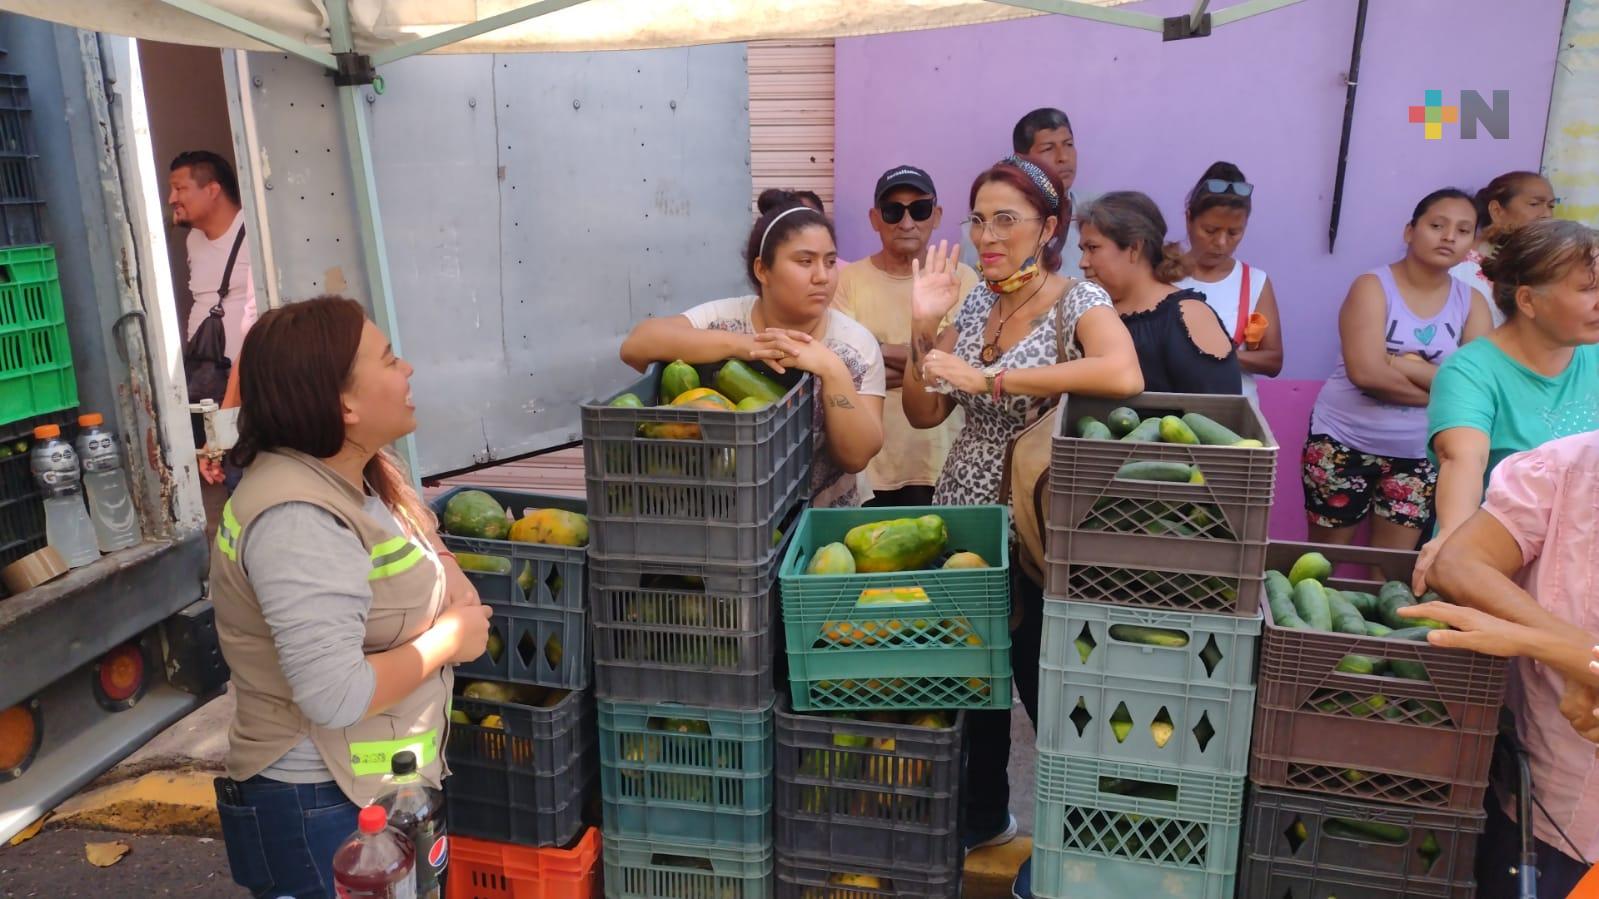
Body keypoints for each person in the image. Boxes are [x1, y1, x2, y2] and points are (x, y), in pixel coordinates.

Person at [901, 156, 1142, 886]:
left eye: (1006, 217)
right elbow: (922, 409)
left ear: (1047, 226)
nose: (987, 234)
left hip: (1039, 524)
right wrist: (922, 331)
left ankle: (1085, 840)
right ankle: (981, 817)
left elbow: (1120, 373)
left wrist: (996, 377)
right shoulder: (973, 304)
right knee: (971, 687)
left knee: (1050, 690)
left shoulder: (1078, 298)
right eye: (978, 218)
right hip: (965, 516)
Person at [209, 296, 492, 898]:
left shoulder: (357, 476)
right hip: (321, 807)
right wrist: (448, 640)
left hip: (373, 792)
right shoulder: (297, 518)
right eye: (389, 360)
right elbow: (335, 695)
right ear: (344, 402)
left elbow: (436, 565)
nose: (408, 369)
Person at [1408, 431, 1599, 897]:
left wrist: (1562, 653)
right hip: (1548, 803)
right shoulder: (1570, 466)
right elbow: (1456, 565)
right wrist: (1576, 655)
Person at [620, 203, 886, 507]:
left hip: (821, 516)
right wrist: (743, 345)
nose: (822, 276)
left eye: (829, 262)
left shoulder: (854, 345)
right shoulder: (724, 316)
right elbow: (636, 346)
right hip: (725, 514)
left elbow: (857, 456)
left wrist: (832, 369)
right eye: (804, 261)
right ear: (763, 270)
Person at [1413, 219, 1599, 592]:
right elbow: (1463, 458)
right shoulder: (1471, 371)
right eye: (1587, 289)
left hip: (1580, 575)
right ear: (1528, 300)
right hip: (1498, 574)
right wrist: (1454, 541)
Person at [1303, 189, 1493, 550]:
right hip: (1343, 441)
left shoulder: (1472, 303)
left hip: (1420, 454)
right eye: (1437, 225)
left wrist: (1401, 364)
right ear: (1410, 231)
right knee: (1323, 560)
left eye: (1464, 230)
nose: (1449, 236)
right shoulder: (1372, 287)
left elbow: (1476, 389)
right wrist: (1443, 390)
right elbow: (1367, 375)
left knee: (1389, 571)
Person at [834, 165, 978, 507]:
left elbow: (954, 367)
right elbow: (845, 369)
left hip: (942, 460)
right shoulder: (848, 280)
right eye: (893, 211)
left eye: (920, 209)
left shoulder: (962, 278)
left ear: (937, 215)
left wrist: (875, 357)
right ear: (874, 218)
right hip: (872, 467)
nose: (907, 221)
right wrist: (927, 363)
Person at [1077, 191, 1243, 394]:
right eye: (1082, 250)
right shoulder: (1092, 314)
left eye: (1093, 248)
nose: (1083, 263)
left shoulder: (1188, 316)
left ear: (1134, 248)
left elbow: (1222, 411)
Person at [1177, 162, 1284, 399]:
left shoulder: (1255, 282)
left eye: (1234, 233)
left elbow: (1273, 360)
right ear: (1188, 220)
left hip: (1237, 415)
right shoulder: (1164, 276)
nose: (1222, 243)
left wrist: (1214, 356)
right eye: (1211, 230)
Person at [1452, 171, 1558, 325]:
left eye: (1551, 206)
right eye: (1534, 204)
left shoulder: (1540, 265)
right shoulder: (1460, 268)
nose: (1547, 214)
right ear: (1497, 210)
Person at [1013, 108, 1089, 277]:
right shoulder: (994, 223)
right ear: (1021, 161)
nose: (1063, 157)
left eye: (1069, 145)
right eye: (1048, 149)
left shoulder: (1097, 217)